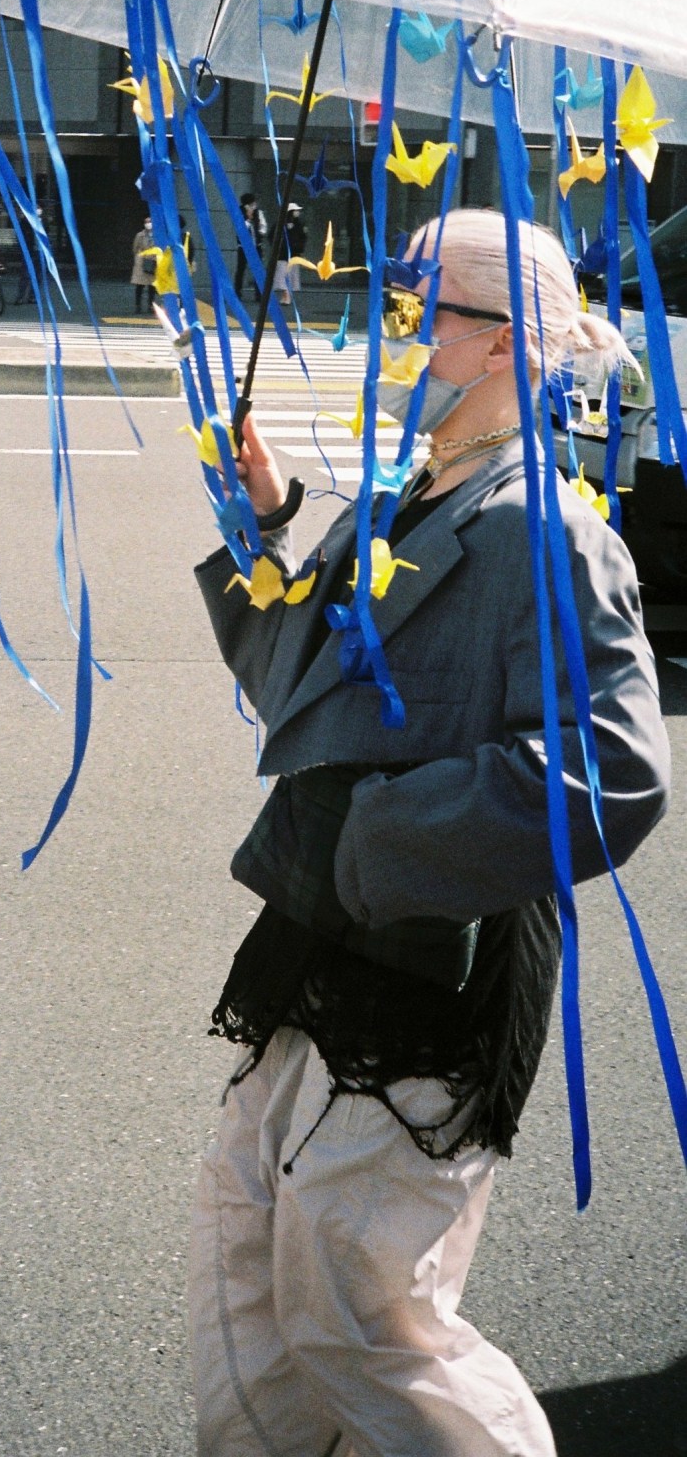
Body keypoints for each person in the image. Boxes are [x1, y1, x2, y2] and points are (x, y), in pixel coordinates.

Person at [188, 207, 668, 1457]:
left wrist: (372, 839)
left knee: (360, 1307)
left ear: (503, 341)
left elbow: (613, 771)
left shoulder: (547, 528)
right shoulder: (414, 491)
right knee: (251, 1261)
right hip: (316, 933)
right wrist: (269, 523)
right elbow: (303, 691)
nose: (391, 334)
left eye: (418, 312)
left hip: (426, 955)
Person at [235, 190, 267, 301]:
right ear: (246, 205)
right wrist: (248, 219)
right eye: (252, 203)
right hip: (243, 247)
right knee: (241, 270)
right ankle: (237, 293)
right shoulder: (239, 213)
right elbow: (239, 228)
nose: (254, 205)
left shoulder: (259, 213)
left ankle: (259, 294)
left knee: (258, 270)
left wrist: (260, 232)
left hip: (256, 246)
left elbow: (263, 227)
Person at [131, 214, 157, 314]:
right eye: (146, 222)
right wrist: (140, 256)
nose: (148, 224)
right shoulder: (140, 235)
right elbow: (135, 248)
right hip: (142, 263)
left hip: (153, 261)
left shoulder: (157, 235)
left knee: (152, 286)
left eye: (150, 222)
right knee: (139, 285)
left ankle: (151, 305)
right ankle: (138, 305)